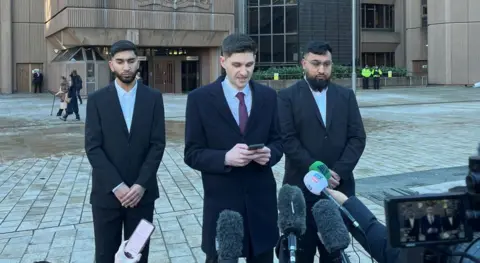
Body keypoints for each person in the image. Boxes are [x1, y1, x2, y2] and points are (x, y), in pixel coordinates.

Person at [184, 33, 283, 263]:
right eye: (237, 64)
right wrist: (225, 158)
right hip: (222, 206)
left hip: (261, 206)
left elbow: (278, 141)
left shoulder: (269, 97)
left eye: (249, 64)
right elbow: (192, 153)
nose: (244, 71)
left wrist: (270, 154)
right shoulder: (199, 99)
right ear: (223, 62)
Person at [277, 41, 366, 262]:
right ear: (303, 64)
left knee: (333, 254)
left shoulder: (346, 96)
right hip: (300, 192)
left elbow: (357, 137)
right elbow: (288, 140)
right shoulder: (286, 97)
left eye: (326, 64)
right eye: (315, 64)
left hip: (339, 189)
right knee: (301, 254)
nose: (321, 70)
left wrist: (337, 172)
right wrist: (319, 174)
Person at [85, 40, 166, 263]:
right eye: (120, 62)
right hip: (106, 196)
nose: (126, 67)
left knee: (138, 256)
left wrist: (140, 185)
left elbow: (157, 145)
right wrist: (117, 186)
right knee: (104, 256)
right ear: (111, 65)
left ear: (137, 62)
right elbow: (93, 147)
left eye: (131, 61)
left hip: (143, 196)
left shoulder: (153, 98)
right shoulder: (97, 100)